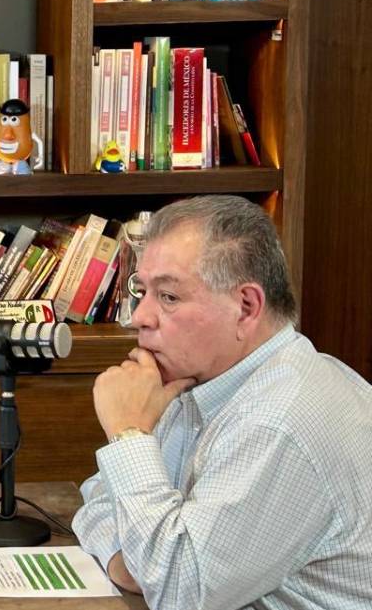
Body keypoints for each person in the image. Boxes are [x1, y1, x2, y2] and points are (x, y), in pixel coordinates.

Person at [72, 195, 372, 609]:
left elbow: (179, 592)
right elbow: (101, 497)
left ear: (246, 307)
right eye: (142, 292)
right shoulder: (198, 379)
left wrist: (128, 435)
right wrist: (129, 562)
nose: (139, 317)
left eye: (169, 297)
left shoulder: (278, 420)